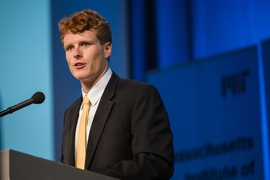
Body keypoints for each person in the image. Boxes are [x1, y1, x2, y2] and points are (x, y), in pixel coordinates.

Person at [58, 9, 174, 179]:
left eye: (85, 44)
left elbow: (156, 163)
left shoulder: (139, 96)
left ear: (107, 49)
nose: (76, 54)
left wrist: (89, 178)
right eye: (69, 48)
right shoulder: (71, 114)